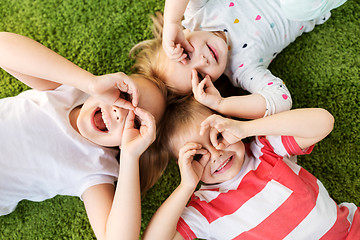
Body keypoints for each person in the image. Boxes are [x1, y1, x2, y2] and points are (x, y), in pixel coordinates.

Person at [0, 32, 167, 240]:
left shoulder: (95, 168)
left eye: (135, 122)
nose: (119, 112)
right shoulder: (68, 91)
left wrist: (130, 157)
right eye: (125, 97)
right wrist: (90, 83)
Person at [143, 96, 359, 240]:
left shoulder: (264, 149)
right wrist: (185, 187)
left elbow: (324, 122)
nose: (216, 153)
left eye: (218, 136)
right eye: (198, 155)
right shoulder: (204, 209)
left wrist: (246, 128)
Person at [131, 0, 346, 119]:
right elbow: (281, 100)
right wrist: (221, 104)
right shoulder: (242, 70)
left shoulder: (198, 14)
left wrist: (172, 22)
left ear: (184, 32)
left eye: (187, 54)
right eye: (200, 76)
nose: (203, 61)